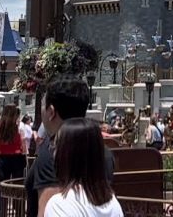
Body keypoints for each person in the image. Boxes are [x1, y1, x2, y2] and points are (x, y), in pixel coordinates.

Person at [26, 77, 114, 217]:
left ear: (51, 112)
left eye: (42, 105)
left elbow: (46, 212)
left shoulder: (53, 156)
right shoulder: (103, 154)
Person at [43, 118, 123, 217]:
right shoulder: (113, 203)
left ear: (66, 156)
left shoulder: (59, 206)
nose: (54, 154)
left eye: (56, 147)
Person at [0, 105, 24, 217]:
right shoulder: (19, 125)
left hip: (2, 158)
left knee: (1, 186)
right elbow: (23, 144)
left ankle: (0, 212)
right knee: (17, 186)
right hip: (17, 158)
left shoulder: (0, 126)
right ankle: (19, 212)